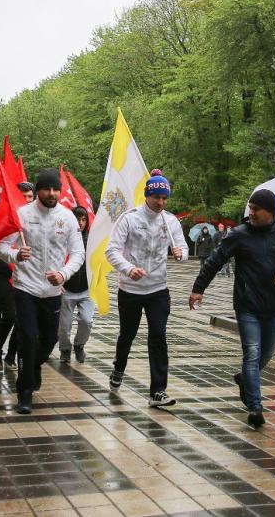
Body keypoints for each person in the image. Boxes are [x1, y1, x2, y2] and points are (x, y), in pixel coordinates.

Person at [188, 189, 275, 428]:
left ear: (270, 211)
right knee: (252, 354)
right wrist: (198, 288)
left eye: (256, 209)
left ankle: (244, 379)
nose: (250, 213)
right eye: (250, 208)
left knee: (266, 355)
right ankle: (255, 407)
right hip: (247, 305)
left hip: (273, 306)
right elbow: (215, 260)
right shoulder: (239, 235)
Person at [0, 169, 84, 414]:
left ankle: (33, 367)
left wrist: (63, 274)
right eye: (47, 189)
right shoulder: (22, 215)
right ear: (37, 191)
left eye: (56, 189)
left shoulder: (67, 218)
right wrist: (15, 255)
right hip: (25, 287)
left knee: (49, 339)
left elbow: (78, 253)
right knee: (27, 338)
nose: (52, 193)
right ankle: (24, 392)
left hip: (53, 291)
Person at [106, 169, 187, 407]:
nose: (160, 202)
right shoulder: (129, 219)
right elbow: (111, 250)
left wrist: (179, 255)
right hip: (130, 289)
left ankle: (158, 391)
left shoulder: (170, 221)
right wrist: (128, 268)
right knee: (127, 335)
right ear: (146, 196)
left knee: (159, 336)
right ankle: (118, 368)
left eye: (164, 198)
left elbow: (180, 248)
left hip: (158, 290)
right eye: (156, 198)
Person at [0, 181, 36, 370]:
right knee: (10, 315)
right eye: (23, 196)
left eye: (30, 197)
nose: (27, 200)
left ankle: (11, 355)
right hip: (3, 274)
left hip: (26, 275)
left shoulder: (35, 219)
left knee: (23, 318)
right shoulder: (5, 218)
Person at [57, 206, 95, 364]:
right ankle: (65, 349)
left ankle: (79, 345)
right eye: (77, 219)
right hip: (67, 289)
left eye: (83, 219)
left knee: (87, 321)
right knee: (64, 327)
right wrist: (57, 282)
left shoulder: (93, 239)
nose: (80, 223)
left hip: (87, 289)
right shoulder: (62, 239)